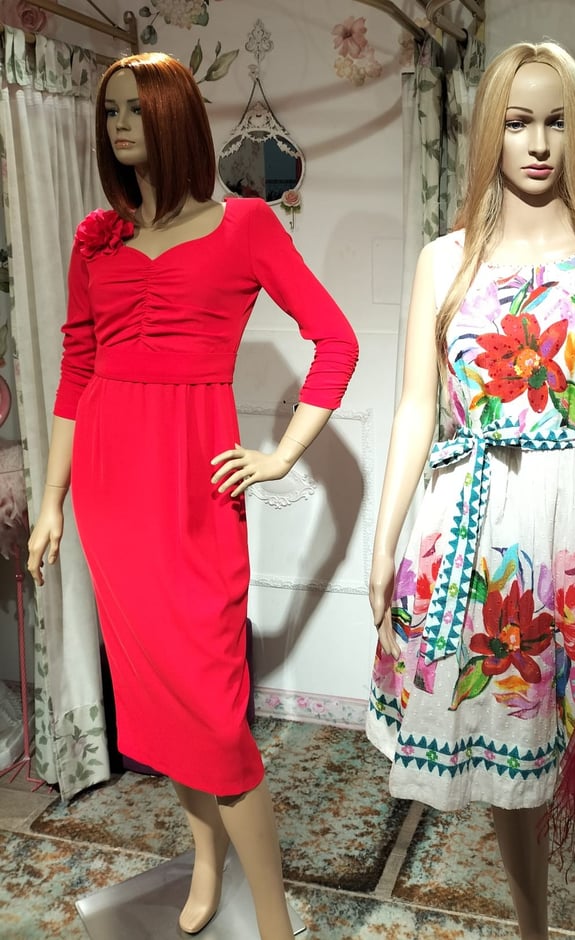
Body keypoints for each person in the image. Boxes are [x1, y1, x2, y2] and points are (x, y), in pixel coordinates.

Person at [366, 41, 575, 940]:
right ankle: (530, 928)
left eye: (557, 122)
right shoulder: (444, 261)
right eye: (518, 122)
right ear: (491, 130)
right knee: (507, 765)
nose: (538, 142)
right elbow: (415, 408)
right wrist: (384, 539)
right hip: (472, 536)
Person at [27, 52, 358, 938]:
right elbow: (78, 368)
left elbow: (336, 340)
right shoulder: (97, 239)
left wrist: (284, 455)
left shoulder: (246, 225)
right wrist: (53, 499)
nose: (119, 126)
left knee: (213, 714)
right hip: (109, 490)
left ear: (175, 117)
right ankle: (206, 864)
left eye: (136, 109)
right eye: (110, 112)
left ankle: (275, 923)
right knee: (159, 702)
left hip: (191, 489)